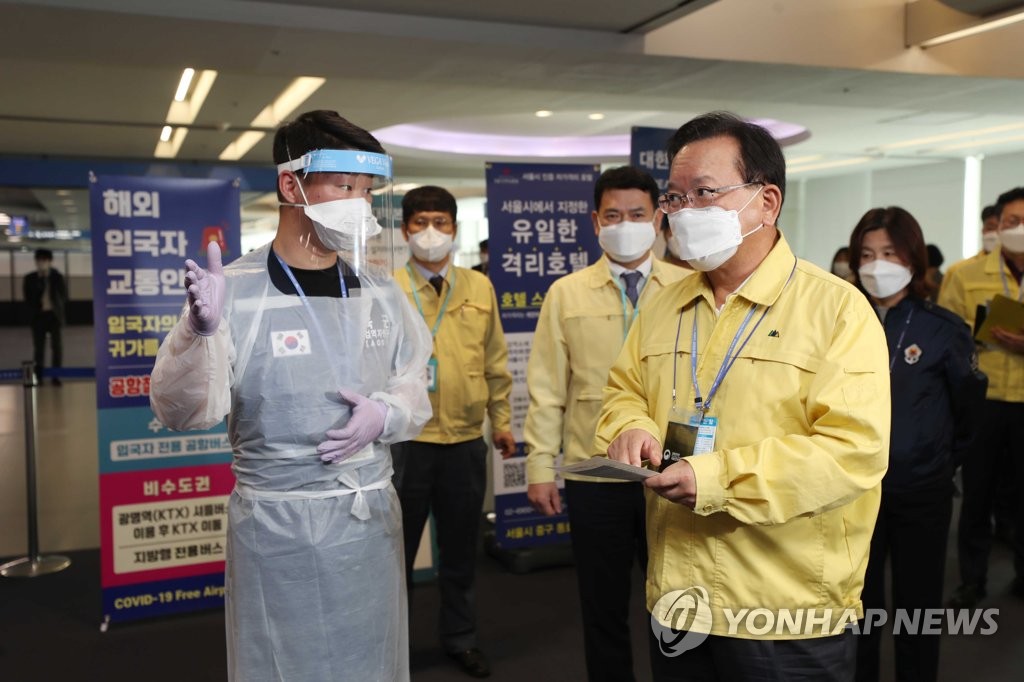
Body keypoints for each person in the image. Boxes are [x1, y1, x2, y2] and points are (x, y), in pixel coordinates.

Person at [595, 111, 890, 681]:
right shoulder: (663, 302)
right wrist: (629, 428)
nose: (683, 213)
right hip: (679, 599)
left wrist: (717, 478)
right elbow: (624, 391)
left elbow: (852, 452)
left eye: (705, 193)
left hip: (782, 608)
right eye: (675, 198)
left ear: (767, 201)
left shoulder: (835, 309)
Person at [149, 110, 432, 682]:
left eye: (367, 190)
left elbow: (413, 380)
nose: (360, 203)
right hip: (276, 530)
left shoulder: (379, 290)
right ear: (291, 184)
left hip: (368, 519)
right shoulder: (238, 292)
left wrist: (388, 414)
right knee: (281, 660)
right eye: (344, 186)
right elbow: (182, 411)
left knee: (371, 655)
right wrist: (197, 334)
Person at [524, 166, 689, 682]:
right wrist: (538, 467)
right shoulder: (567, 293)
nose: (625, 224)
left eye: (637, 214)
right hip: (595, 473)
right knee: (602, 606)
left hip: (671, 472)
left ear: (658, 217)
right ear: (596, 221)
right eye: (613, 215)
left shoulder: (688, 287)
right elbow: (548, 388)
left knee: (677, 607)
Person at [848, 207, 985, 682]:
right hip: (853, 490)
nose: (876, 265)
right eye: (866, 254)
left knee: (918, 610)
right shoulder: (841, 319)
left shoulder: (941, 327)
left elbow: (969, 408)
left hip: (921, 489)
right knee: (857, 609)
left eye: (888, 252)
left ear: (912, 257)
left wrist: (940, 461)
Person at [392, 186, 514, 679]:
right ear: (404, 230)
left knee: (461, 553)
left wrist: (502, 422)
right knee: (392, 556)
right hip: (405, 443)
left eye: (441, 222)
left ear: (455, 229)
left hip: (464, 439)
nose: (431, 233)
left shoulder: (479, 288)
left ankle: (460, 639)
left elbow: (495, 361)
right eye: (420, 222)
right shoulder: (385, 289)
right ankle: (390, 647)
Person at [939, 186, 1024, 609]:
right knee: (978, 494)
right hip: (983, 398)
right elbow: (946, 338)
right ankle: (972, 580)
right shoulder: (964, 274)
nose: (1018, 229)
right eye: (1011, 222)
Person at [23, 248, 67, 385]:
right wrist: (40, 283)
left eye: (44, 260)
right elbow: (28, 299)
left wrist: (49, 279)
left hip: (54, 316)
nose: (41, 263)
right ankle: (39, 376)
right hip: (38, 317)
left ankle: (56, 376)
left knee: (57, 347)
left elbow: (64, 295)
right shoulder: (30, 278)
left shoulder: (57, 277)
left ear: (50, 261)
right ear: (36, 262)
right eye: (39, 260)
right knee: (39, 348)